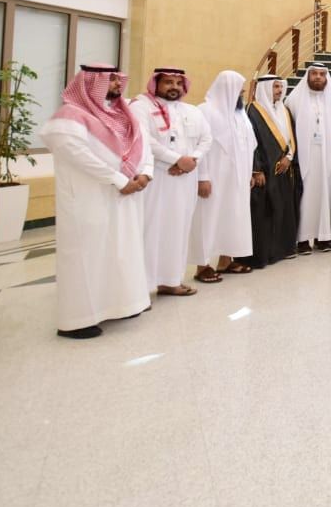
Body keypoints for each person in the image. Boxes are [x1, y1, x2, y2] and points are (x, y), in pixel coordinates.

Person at [41, 64, 152, 338]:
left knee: (122, 251)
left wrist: (145, 173)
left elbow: (144, 146)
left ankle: (124, 304)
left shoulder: (124, 114)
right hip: (88, 199)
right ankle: (77, 320)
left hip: (126, 196)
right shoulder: (69, 116)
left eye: (117, 79)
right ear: (91, 83)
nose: (116, 84)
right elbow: (77, 155)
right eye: (110, 80)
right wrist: (118, 179)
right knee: (87, 255)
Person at [132, 67, 211, 295]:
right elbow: (144, 140)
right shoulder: (140, 107)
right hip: (156, 179)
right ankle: (143, 287)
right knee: (151, 229)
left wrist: (192, 160)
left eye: (178, 83)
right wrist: (176, 160)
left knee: (179, 229)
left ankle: (171, 280)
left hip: (185, 180)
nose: (174, 87)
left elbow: (206, 139)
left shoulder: (192, 111)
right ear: (155, 83)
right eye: (168, 82)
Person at [189, 70, 257, 279]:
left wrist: (249, 173)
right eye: (239, 91)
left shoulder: (240, 114)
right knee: (208, 219)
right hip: (214, 177)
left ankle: (226, 261)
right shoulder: (204, 111)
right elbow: (198, 147)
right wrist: (202, 177)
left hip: (238, 178)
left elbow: (249, 145)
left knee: (233, 217)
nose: (241, 95)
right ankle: (202, 266)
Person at [246, 75, 301, 267]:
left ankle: (282, 249)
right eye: (275, 87)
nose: (279, 90)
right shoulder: (253, 111)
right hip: (265, 171)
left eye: (280, 86)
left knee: (284, 208)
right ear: (265, 88)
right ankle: (265, 253)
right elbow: (250, 143)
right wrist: (255, 170)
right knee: (265, 212)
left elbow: (292, 138)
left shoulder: (284, 110)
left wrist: (289, 157)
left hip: (284, 169)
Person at [285, 63, 331, 253]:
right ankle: (302, 239)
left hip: (326, 157)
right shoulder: (293, 99)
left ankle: (322, 237)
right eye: (314, 73)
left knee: (325, 196)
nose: (318, 77)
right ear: (308, 76)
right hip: (303, 157)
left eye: (322, 74)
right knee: (305, 198)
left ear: (326, 78)